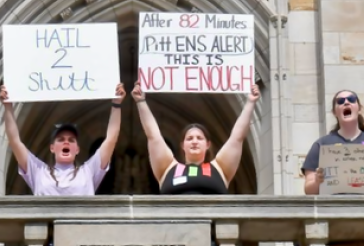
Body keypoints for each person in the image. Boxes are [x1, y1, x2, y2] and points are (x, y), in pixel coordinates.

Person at [302, 90, 364, 246]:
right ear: (335, 111)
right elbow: (309, 189)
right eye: (340, 101)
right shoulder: (322, 145)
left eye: (351, 100)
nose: (346, 103)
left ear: (358, 107)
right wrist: (318, 179)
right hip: (337, 225)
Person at [131, 81, 260, 193]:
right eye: (189, 138)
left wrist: (250, 102)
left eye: (199, 138)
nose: (194, 141)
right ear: (182, 145)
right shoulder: (167, 168)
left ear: (207, 144)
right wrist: (141, 101)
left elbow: (237, 137)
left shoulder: (220, 168)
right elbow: (154, 136)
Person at [0, 83, 125, 195]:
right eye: (60, 139)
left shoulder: (88, 172)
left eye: (71, 140)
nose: (66, 142)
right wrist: (8, 107)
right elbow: (15, 141)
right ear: (52, 148)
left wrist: (116, 104)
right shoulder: (38, 171)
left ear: (77, 149)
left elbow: (111, 139)